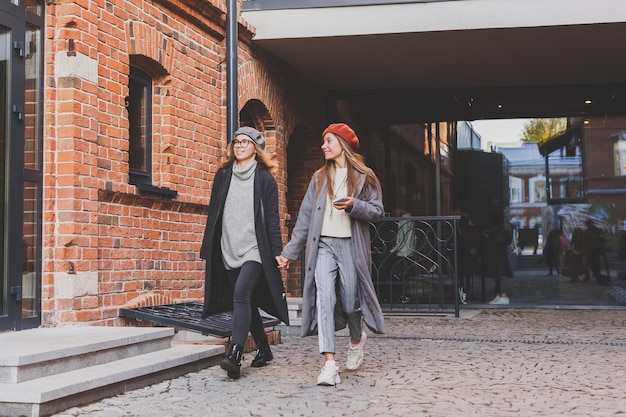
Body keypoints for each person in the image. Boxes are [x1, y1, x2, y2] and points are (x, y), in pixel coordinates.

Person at [277, 123, 385, 386]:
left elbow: (378, 212)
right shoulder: (318, 178)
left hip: (350, 245)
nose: (323, 146)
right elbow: (304, 219)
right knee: (324, 300)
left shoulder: (364, 176)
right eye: (323, 142)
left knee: (349, 303)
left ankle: (357, 337)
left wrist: (354, 205)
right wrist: (289, 253)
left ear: (343, 144)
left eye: (328, 141)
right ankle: (329, 364)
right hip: (322, 246)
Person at [199, 126, 289, 380]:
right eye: (236, 141)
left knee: (241, 294)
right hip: (228, 246)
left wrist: (276, 252)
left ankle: (235, 354)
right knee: (246, 301)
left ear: (256, 148)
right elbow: (214, 213)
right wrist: (209, 246)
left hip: (254, 249)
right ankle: (263, 349)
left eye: (245, 142)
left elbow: (271, 219)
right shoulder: (223, 175)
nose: (239, 146)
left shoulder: (264, 180)